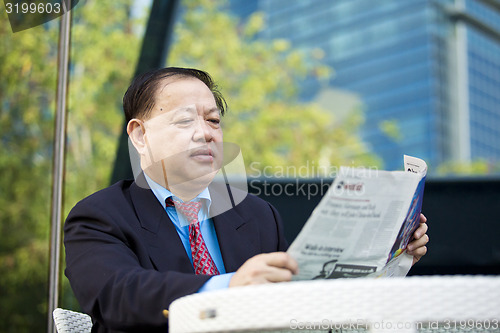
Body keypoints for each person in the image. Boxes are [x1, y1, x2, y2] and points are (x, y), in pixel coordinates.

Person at [64, 67, 429, 332]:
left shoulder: (257, 215)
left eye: (213, 121)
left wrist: (392, 259)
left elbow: (303, 307)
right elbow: (116, 295)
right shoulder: (99, 216)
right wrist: (226, 288)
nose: (205, 134)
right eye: (184, 121)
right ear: (139, 135)